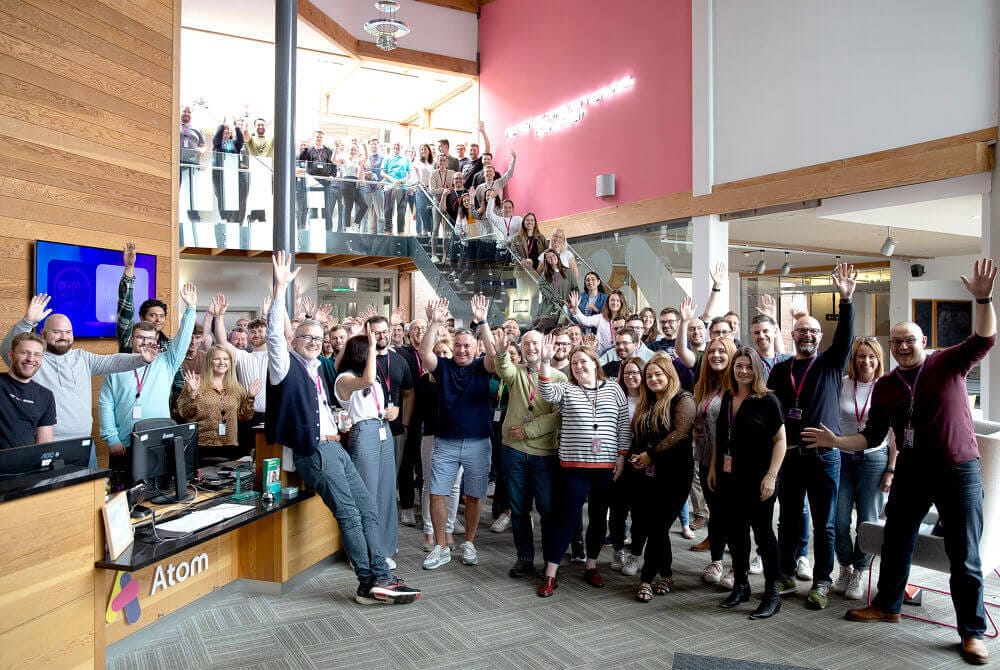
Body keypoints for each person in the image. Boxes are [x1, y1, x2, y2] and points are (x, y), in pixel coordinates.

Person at [804, 258, 996, 666]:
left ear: (923, 340)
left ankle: (972, 632)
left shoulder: (948, 363)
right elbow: (872, 436)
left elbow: (983, 339)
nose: (903, 346)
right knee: (896, 542)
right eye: (896, 342)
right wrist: (835, 439)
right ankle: (887, 604)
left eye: (909, 340)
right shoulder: (888, 386)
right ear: (890, 347)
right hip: (912, 470)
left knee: (965, 554)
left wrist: (983, 298)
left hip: (958, 470)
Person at [264, 251, 419, 605]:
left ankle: (381, 574)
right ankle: (368, 582)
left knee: (366, 508)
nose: (314, 343)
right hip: (315, 451)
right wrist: (279, 291)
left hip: (335, 445)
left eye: (318, 339)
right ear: (294, 340)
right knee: (348, 512)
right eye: (307, 337)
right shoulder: (283, 366)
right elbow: (275, 336)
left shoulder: (317, 369)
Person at [769, 263, 856, 610]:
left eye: (814, 331)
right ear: (793, 335)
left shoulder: (831, 364)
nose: (808, 335)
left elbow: (846, 337)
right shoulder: (779, 369)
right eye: (802, 330)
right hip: (790, 456)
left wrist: (846, 299)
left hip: (824, 456)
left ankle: (822, 580)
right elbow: (772, 413)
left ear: (820, 337)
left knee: (826, 524)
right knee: (788, 519)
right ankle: (787, 574)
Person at [1, 294, 154, 461]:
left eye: (68, 332)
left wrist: (141, 359)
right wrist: (27, 322)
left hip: (85, 447)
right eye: (57, 332)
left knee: (92, 488)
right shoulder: (35, 360)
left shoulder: (83, 358)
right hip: (47, 445)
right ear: (43, 333)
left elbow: (113, 361)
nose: (63, 336)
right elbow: (8, 351)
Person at [536, 334, 631, 597]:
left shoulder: (614, 388)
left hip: (606, 467)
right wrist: (545, 362)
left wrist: (622, 455)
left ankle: (591, 566)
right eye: (574, 363)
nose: (578, 366)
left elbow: (623, 424)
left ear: (595, 362)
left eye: (583, 361)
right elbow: (546, 391)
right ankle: (550, 574)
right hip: (573, 466)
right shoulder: (567, 388)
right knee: (565, 518)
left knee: (599, 518)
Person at [418, 296, 497, 570]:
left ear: (476, 349)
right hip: (445, 442)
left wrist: (483, 322)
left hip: (478, 443)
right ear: (452, 347)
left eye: (467, 346)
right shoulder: (444, 367)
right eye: (459, 346)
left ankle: (470, 542)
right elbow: (424, 351)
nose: (462, 350)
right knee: (437, 493)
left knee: (474, 496)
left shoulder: (483, 367)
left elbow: (496, 356)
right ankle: (441, 547)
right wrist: (434, 322)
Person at [709, 348, 787, 619]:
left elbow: (780, 441)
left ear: (757, 370)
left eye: (748, 367)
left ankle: (771, 593)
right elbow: (721, 436)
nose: (743, 371)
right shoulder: (729, 396)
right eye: (738, 366)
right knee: (736, 533)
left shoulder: (768, 401)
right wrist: (714, 468)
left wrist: (771, 476)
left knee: (764, 535)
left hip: (758, 479)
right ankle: (741, 585)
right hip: (730, 477)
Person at [484, 326, 565, 577]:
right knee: (519, 509)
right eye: (526, 344)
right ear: (521, 348)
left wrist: (529, 431)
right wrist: (499, 352)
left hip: (543, 454)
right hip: (514, 452)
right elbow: (503, 368)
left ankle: (551, 562)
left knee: (547, 510)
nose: (531, 347)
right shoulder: (516, 373)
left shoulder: (559, 378)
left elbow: (558, 416)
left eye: (535, 343)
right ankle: (525, 558)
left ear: (544, 347)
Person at [100, 283, 197, 482]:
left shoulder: (167, 362)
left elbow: (183, 339)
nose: (145, 342)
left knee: (159, 492)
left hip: (158, 441)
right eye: (140, 338)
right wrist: (112, 438)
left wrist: (190, 309)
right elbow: (105, 405)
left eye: (150, 338)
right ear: (132, 339)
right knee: (125, 495)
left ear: (157, 341)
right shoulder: (117, 364)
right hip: (124, 444)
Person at [830, 336, 895, 600]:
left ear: (878, 359)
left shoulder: (886, 387)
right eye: (860, 356)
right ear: (853, 359)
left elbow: (894, 434)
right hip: (843, 458)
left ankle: (860, 570)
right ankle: (844, 566)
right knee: (839, 519)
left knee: (867, 521)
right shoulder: (842, 385)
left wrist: (891, 469)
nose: (866, 361)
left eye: (871, 356)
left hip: (874, 460)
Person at [628, 353, 696, 602]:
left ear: (669, 375)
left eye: (659, 374)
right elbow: (640, 436)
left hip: (675, 474)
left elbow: (679, 434)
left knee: (658, 526)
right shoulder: (647, 402)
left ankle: (646, 579)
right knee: (654, 527)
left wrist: (650, 455)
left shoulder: (683, 398)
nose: (654, 379)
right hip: (647, 474)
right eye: (649, 375)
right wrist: (637, 456)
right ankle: (666, 574)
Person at [335, 330, 399, 569]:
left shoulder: (373, 378)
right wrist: (370, 345)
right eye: (370, 349)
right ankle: (362, 553)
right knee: (366, 496)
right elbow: (367, 381)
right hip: (364, 434)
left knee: (385, 493)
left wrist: (392, 413)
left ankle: (382, 548)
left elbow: (377, 397)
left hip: (383, 430)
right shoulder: (344, 378)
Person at [691, 337, 737, 583]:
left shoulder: (738, 387)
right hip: (707, 459)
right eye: (711, 352)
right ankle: (716, 560)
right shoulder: (704, 386)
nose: (716, 355)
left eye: (722, 351)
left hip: (731, 462)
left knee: (734, 514)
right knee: (717, 513)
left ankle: (736, 566)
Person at [416, 337, 464, 551]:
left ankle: (448, 531)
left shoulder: (460, 379)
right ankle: (429, 533)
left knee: (453, 488)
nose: (443, 356)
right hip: (431, 438)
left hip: (457, 439)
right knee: (430, 486)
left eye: (446, 352)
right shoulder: (423, 382)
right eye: (439, 353)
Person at [176, 345, 259, 457]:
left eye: (225, 359)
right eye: (217, 359)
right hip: (201, 446)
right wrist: (192, 394)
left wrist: (250, 397)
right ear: (209, 361)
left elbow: (244, 417)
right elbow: (184, 413)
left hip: (230, 446)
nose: (222, 362)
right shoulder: (195, 383)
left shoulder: (237, 387)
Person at [610, 357, 644, 577]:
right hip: (618, 458)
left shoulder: (649, 400)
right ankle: (617, 549)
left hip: (642, 461)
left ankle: (636, 554)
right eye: (628, 373)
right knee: (617, 509)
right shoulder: (616, 397)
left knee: (640, 512)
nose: (631, 377)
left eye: (636, 373)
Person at [0, 333, 56, 449]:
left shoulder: (46, 396)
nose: (31, 359)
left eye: (37, 355)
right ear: (11, 355)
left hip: (26, 465)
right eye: (24, 352)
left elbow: (44, 447)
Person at [567, 289, 628, 355]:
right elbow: (585, 320)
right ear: (608, 302)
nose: (615, 303)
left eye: (618, 300)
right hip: (602, 355)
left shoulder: (626, 319)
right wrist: (576, 308)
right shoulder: (601, 317)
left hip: (620, 354)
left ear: (622, 303)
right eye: (612, 300)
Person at [534, 249, 578, 332]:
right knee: (542, 331)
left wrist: (570, 302)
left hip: (566, 308)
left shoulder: (568, 272)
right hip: (549, 309)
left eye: (553, 255)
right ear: (546, 261)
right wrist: (559, 300)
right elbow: (544, 290)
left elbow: (575, 288)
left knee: (562, 331)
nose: (552, 258)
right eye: (549, 257)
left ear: (557, 256)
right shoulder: (545, 275)